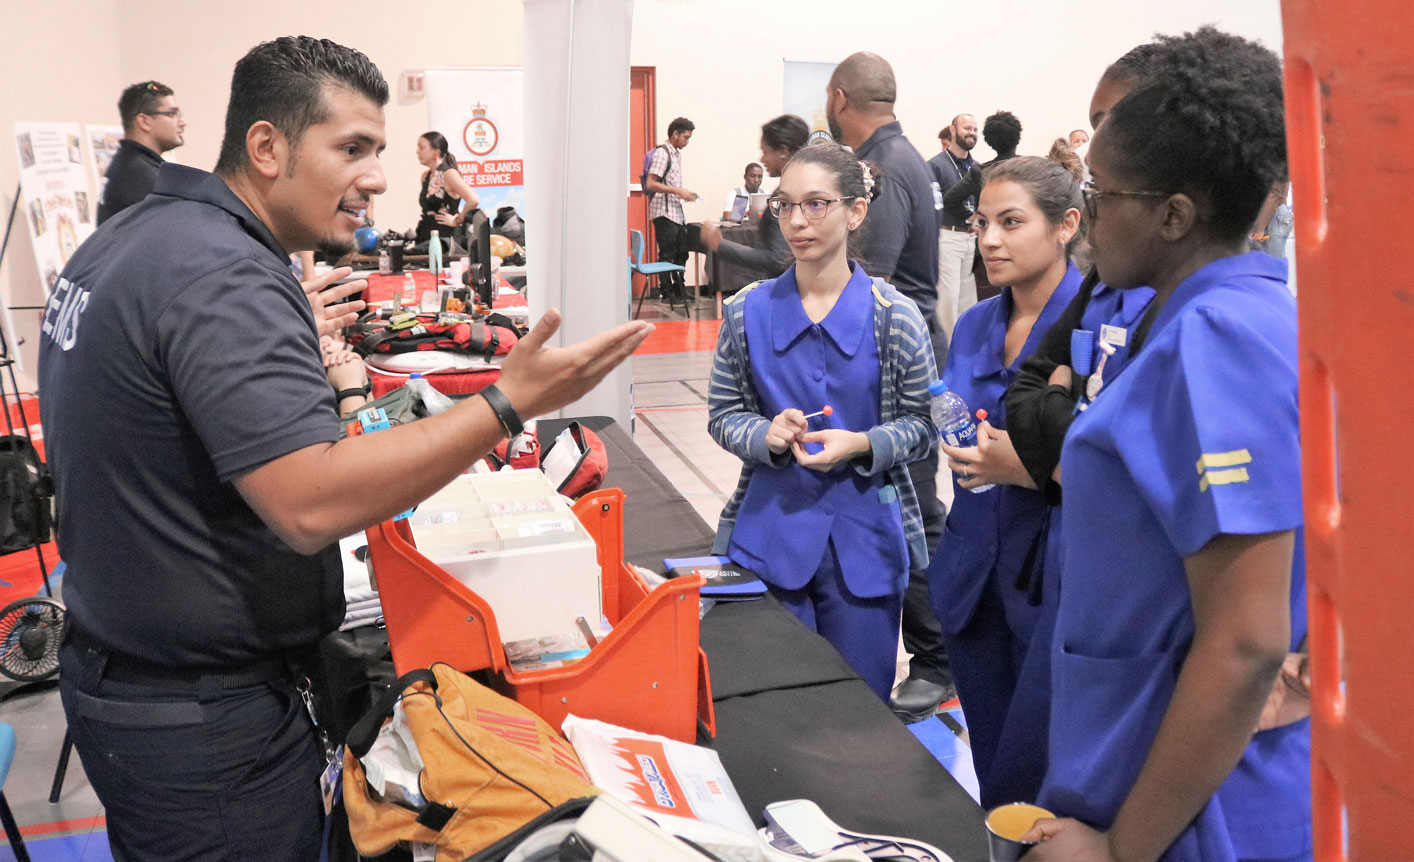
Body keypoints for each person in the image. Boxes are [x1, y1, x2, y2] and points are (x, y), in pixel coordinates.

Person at [40, 36, 651, 861]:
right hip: (201, 721)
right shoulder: (221, 273)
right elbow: (310, 502)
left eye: (382, 150)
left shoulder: (135, 238)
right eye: (352, 148)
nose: (376, 177)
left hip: (131, 679)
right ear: (267, 147)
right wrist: (512, 403)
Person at [1023, 27, 1309, 862]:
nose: (1085, 222)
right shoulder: (1206, 321)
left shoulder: (1219, 340)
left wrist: (1122, 848)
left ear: (1176, 215)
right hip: (1149, 767)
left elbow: (1248, 636)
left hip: (1194, 812)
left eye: (1104, 197)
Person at [707, 142, 936, 702]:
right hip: (769, 535)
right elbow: (723, 414)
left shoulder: (894, 316)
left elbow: (924, 425)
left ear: (855, 212)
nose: (797, 221)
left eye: (816, 205)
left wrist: (864, 442)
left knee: (861, 712)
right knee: (774, 708)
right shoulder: (745, 312)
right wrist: (763, 434)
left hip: (866, 544)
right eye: (785, 206)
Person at [926, 156, 1083, 809]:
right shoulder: (974, 325)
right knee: (998, 785)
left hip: (1056, 588)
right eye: (982, 222)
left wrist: (1029, 467)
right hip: (972, 587)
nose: (989, 240)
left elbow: (1130, 468)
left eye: (1011, 222)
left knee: (1056, 790)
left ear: (1065, 225)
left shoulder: (1100, 328)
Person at [823, 51, 951, 717]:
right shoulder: (908, 161)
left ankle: (936, 659)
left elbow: (873, 272)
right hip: (911, 346)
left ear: (839, 97)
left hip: (898, 356)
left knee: (912, 509)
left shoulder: (881, 169)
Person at [700, 114, 810, 280]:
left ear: (783, 152)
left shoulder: (789, 194)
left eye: (765, 152)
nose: (762, 159)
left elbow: (779, 259)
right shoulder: (809, 185)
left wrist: (720, 245)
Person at [96, 80, 186, 224]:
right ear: (144, 122)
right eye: (172, 114)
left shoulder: (127, 165)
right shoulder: (141, 176)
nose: (182, 122)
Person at [928, 113, 980, 339]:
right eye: (967, 127)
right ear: (952, 130)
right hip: (948, 237)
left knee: (968, 303)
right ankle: (946, 357)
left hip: (972, 239)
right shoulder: (936, 165)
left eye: (975, 129)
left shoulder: (978, 167)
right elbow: (937, 204)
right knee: (948, 302)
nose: (972, 132)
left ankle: (965, 355)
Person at [644, 117, 699, 304]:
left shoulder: (676, 154)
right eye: (685, 137)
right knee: (667, 253)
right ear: (675, 134)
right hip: (663, 212)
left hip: (676, 212)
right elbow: (651, 183)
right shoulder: (662, 153)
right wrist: (678, 191)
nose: (687, 141)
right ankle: (666, 293)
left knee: (682, 252)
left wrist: (686, 194)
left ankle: (679, 289)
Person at [415, 130, 479, 252]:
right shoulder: (426, 176)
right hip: (427, 232)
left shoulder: (449, 174)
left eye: (421, 148)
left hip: (445, 237)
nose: (417, 152)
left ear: (436, 151)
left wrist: (457, 219)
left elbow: (473, 199)